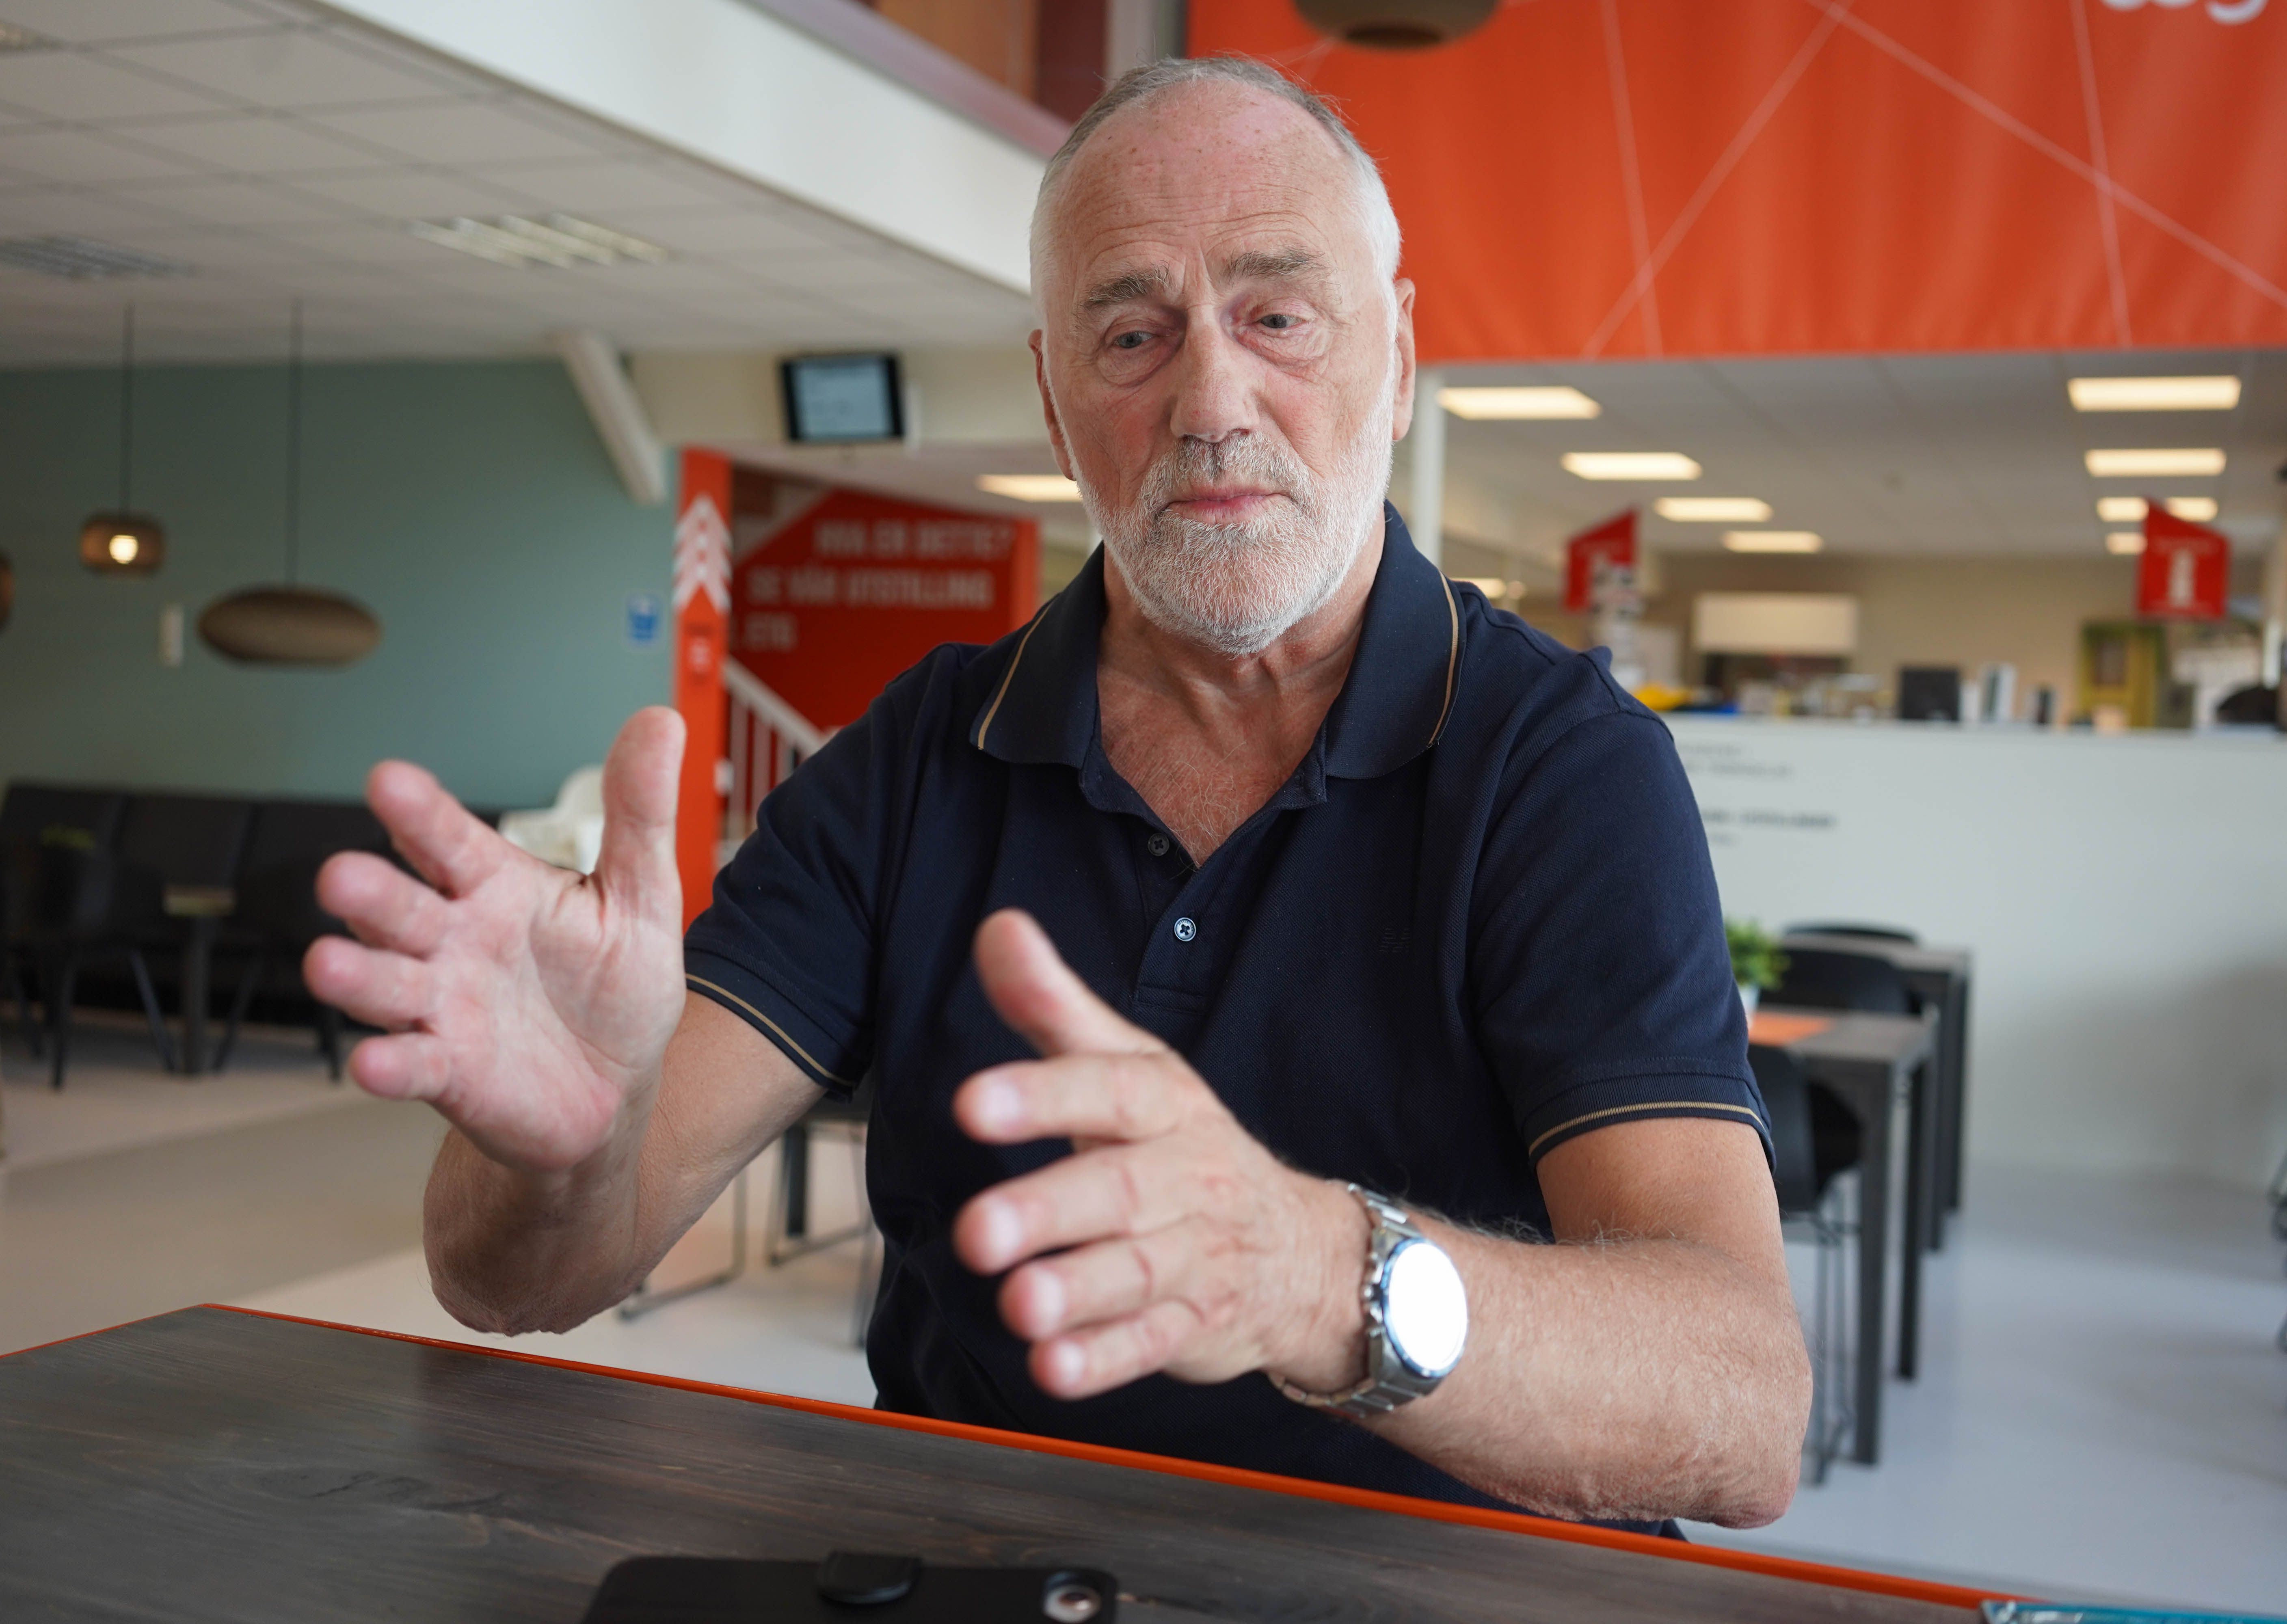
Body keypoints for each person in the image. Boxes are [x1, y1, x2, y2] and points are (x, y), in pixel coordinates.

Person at [305, 56, 1808, 1536]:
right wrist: (568, 1151)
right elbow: (510, 1284)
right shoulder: (919, 754)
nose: (1213, 401)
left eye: (1279, 318)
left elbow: (1742, 1409)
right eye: (1134, 335)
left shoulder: (1561, 763)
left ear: (1400, 356)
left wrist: (1313, 1274)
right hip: (985, 1567)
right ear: (1052, 394)